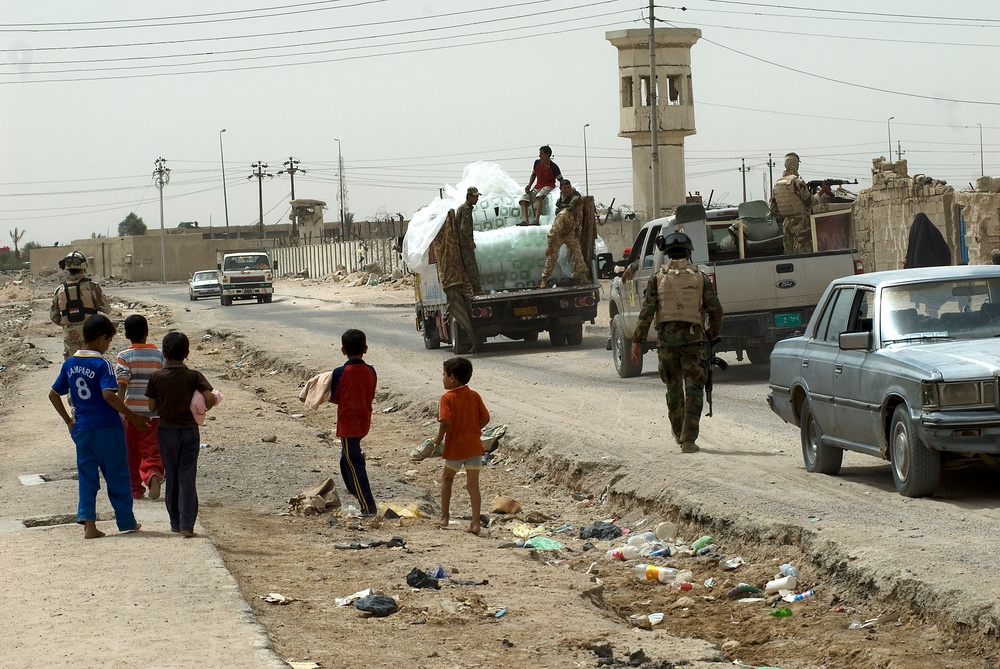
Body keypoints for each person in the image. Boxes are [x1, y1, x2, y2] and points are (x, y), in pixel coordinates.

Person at [48, 314, 148, 538]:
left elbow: (53, 394)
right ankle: (126, 521)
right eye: (109, 341)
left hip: (82, 428)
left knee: (87, 477)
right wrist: (132, 416)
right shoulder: (103, 364)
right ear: (102, 339)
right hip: (107, 428)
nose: (108, 345)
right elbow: (108, 395)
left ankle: (89, 526)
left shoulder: (70, 363)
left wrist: (68, 420)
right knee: (117, 474)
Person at [630, 232, 724, 454]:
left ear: (667, 253)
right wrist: (711, 333)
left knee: (673, 388)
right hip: (695, 342)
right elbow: (716, 310)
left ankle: (678, 433)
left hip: (667, 344)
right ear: (689, 252)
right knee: (694, 389)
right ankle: (689, 439)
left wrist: (636, 341)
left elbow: (647, 313)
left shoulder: (657, 278)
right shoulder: (700, 277)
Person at [145, 331, 216, 537]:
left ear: (164, 353)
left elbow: (152, 407)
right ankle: (187, 525)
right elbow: (209, 399)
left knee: (172, 475)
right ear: (187, 352)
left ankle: (175, 522)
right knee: (187, 476)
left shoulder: (156, 377)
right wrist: (200, 408)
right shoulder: (194, 376)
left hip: (166, 431)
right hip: (189, 432)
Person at [429, 357, 490, 534]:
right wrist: (474, 429)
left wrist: (438, 438)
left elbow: (445, 421)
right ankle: (475, 523)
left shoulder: (447, 398)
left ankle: (445, 518)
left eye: (443, 375)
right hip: (473, 446)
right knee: (473, 486)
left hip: (455, 447)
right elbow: (485, 418)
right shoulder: (474, 395)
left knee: (447, 479)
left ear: (452, 378)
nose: (442, 378)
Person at [115, 314, 166, 501]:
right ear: (147, 332)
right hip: (153, 413)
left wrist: (120, 410)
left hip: (131, 413)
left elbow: (122, 383)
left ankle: (135, 488)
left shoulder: (124, 357)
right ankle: (153, 473)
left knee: (131, 452)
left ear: (127, 334)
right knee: (152, 450)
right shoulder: (159, 355)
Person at [329, 329, 379, 516]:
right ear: (365, 349)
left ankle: (367, 506)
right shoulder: (370, 371)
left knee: (354, 463)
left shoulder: (340, 372)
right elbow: (371, 393)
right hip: (363, 419)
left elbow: (335, 398)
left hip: (348, 423)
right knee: (347, 458)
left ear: (343, 350)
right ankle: (352, 487)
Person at [49, 250, 111, 360]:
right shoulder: (92, 286)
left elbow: (54, 316)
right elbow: (106, 309)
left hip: (69, 336)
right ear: (83, 267)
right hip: (90, 334)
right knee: (92, 367)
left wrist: (69, 324)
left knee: (73, 368)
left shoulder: (59, 290)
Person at [433, 209, 477, 350]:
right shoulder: (463, 212)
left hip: (454, 280)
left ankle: (472, 340)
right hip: (458, 279)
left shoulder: (442, 243)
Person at [768, 152, 814, 255]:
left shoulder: (777, 184)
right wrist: (820, 193)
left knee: (789, 255)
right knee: (803, 254)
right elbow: (809, 202)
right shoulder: (798, 181)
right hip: (802, 223)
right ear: (796, 164)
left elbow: (773, 209)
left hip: (786, 224)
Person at [539, 197, 588, 287]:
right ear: (578, 205)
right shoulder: (563, 215)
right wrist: (550, 246)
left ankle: (583, 277)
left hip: (570, 235)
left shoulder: (579, 213)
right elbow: (554, 231)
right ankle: (544, 279)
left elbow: (578, 227)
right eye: (581, 205)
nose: (583, 207)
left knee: (578, 254)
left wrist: (577, 239)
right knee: (552, 257)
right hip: (558, 236)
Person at [518, 145, 562, 226]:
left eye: (541, 154)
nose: (539, 155)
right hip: (538, 186)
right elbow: (533, 174)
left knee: (539, 196)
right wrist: (529, 185)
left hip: (548, 186)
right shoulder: (537, 163)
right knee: (523, 200)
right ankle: (525, 220)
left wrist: (564, 188)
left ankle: (536, 219)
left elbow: (560, 179)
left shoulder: (554, 167)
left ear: (547, 154)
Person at [454, 186, 483, 294]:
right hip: (464, 244)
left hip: (462, 243)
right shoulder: (466, 209)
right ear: (469, 196)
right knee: (471, 267)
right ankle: (476, 289)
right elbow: (464, 227)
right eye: (475, 197)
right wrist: (470, 241)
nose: (477, 199)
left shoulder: (464, 208)